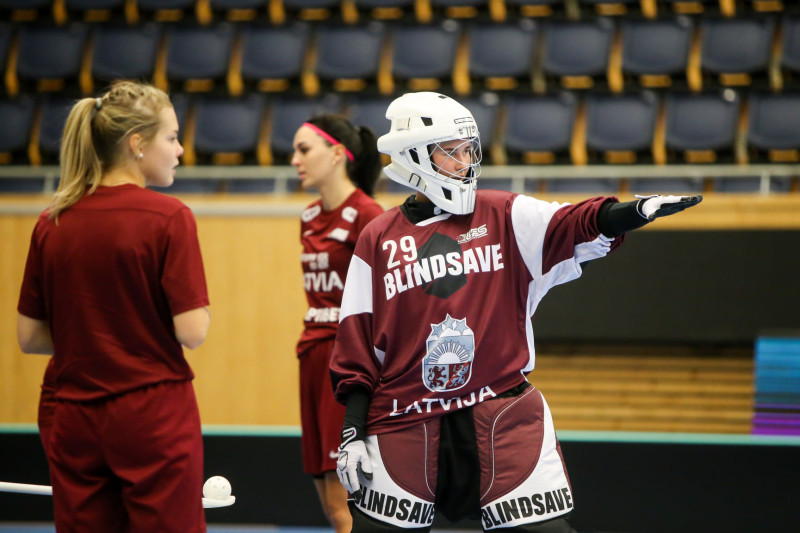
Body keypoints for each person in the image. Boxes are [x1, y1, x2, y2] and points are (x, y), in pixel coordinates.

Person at [330, 92, 703, 532]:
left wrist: (631, 212)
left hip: (500, 413)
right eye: (453, 151)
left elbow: (573, 221)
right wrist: (352, 431)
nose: (467, 161)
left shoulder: (504, 212)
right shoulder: (378, 238)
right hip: (403, 419)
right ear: (414, 155)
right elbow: (356, 345)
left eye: (471, 149)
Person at [16, 81, 210, 533]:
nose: (180, 149)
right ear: (137, 144)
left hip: (71, 413)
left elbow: (30, 338)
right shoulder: (169, 217)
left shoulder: (52, 222)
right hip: (151, 412)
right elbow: (192, 331)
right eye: (171, 137)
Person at [291, 115, 385, 533]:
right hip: (311, 355)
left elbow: (386, 302)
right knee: (329, 504)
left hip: (346, 362)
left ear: (336, 154)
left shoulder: (370, 215)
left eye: (304, 149)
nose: (295, 159)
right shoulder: (309, 215)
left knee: (346, 501)